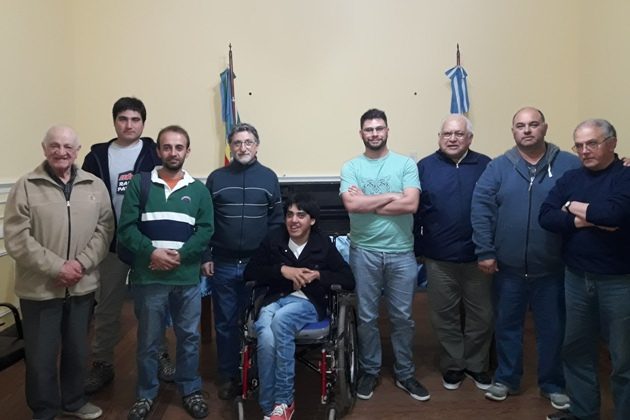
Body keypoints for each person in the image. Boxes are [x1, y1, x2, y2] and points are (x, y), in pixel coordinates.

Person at [471, 107, 579, 410]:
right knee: (507, 327)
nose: (527, 130)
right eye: (520, 125)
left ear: (545, 127)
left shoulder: (569, 165)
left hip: (553, 268)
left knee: (553, 330)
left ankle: (553, 384)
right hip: (508, 268)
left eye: (533, 124)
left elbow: (597, 183)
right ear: (513, 131)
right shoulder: (498, 167)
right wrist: (485, 251)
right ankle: (507, 379)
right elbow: (481, 210)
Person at [4, 125, 114, 420]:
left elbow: (105, 229)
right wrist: (57, 267)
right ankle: (44, 410)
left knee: (78, 351)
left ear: (77, 151)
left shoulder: (95, 185)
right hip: (40, 288)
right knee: (40, 356)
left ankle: (74, 401)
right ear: (44, 149)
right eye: (54, 145)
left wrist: (81, 264)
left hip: (82, 284)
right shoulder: (26, 186)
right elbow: (16, 237)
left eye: (68, 147)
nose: (61, 152)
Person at [117, 125, 214, 420]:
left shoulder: (198, 190)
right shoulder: (140, 184)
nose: (173, 152)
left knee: (189, 338)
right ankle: (146, 392)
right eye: (167, 147)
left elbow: (205, 230)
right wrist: (152, 253)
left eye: (179, 147)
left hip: (186, 279)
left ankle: (190, 388)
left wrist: (181, 256)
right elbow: (126, 229)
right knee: (149, 340)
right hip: (149, 277)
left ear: (187, 151)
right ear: (158, 151)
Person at [539, 119, 630, 420]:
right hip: (576, 277)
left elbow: (613, 215)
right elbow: (546, 216)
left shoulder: (625, 176)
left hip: (620, 281)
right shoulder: (571, 178)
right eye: (578, 145)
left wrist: (571, 206)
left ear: (612, 143)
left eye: (592, 143)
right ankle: (583, 413)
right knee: (576, 350)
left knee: (623, 359)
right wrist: (588, 218)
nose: (584, 150)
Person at [81, 97, 173, 394]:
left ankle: (159, 355)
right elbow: (85, 199)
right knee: (107, 307)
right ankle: (102, 363)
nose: (129, 125)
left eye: (135, 119)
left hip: (147, 245)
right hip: (110, 245)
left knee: (153, 306)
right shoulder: (96, 156)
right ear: (114, 121)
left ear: (143, 123)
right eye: (123, 119)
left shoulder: (154, 154)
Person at [340, 108, 429, 402]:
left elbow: (411, 205)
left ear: (387, 131)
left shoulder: (405, 164)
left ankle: (405, 373)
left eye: (379, 128)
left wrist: (368, 203)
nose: (374, 133)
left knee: (402, 317)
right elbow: (352, 206)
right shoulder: (351, 167)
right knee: (366, 317)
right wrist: (392, 196)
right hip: (363, 252)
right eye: (369, 129)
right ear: (361, 133)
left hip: (402, 253)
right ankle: (370, 370)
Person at [243, 193, 355, 420]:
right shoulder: (274, 239)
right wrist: (282, 271)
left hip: (308, 303)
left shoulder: (322, 244)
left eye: (301, 215)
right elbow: (250, 272)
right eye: (290, 214)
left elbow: (348, 279)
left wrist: (318, 275)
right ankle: (269, 408)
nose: (294, 220)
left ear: (312, 220)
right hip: (275, 299)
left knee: (281, 320)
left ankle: (285, 402)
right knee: (265, 333)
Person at [202, 122, 283, 400]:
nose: (243, 147)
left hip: (256, 266)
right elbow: (205, 221)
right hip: (223, 264)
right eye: (237, 143)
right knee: (225, 323)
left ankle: (257, 372)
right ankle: (229, 375)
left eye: (248, 142)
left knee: (258, 321)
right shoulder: (216, 178)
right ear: (230, 147)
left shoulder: (269, 178)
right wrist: (206, 255)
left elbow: (277, 222)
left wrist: (270, 260)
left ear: (257, 146)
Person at [414, 114, 493, 391]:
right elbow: (415, 212)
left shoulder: (486, 165)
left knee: (481, 316)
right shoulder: (424, 167)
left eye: (459, 134)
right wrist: (419, 249)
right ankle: (454, 365)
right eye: (447, 134)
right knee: (443, 315)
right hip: (439, 258)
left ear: (469, 138)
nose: (452, 138)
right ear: (439, 137)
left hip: (478, 257)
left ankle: (477, 364)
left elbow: (496, 208)